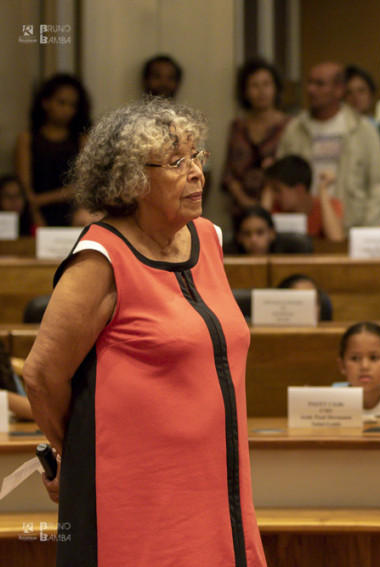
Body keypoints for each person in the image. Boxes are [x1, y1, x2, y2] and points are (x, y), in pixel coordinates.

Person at [22, 97, 267, 566]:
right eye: (177, 162)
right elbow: (41, 375)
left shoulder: (209, 239)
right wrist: (74, 455)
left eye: (197, 157)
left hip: (215, 482)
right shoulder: (101, 257)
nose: (196, 172)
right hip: (132, 493)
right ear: (130, 180)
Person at [277, 61, 380, 229]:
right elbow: (281, 183)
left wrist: (366, 227)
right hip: (304, 227)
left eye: (319, 84)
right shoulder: (294, 129)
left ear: (338, 90)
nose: (311, 89)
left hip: (351, 224)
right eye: (310, 82)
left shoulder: (362, 128)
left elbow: (379, 186)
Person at [14, 73, 91, 227]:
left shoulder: (82, 140)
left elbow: (83, 188)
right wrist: (35, 211)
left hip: (73, 214)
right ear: (45, 102)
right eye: (61, 103)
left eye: (73, 105)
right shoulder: (27, 139)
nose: (67, 110)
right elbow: (24, 189)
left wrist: (39, 200)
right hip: (33, 214)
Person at [222, 58, 290, 217]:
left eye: (266, 84)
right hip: (241, 209)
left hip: (279, 208)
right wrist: (245, 202)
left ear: (275, 88)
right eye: (255, 85)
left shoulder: (289, 126)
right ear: (245, 91)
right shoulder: (238, 126)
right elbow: (229, 173)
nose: (261, 91)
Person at [261, 155, 345, 241]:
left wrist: (323, 190)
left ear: (299, 189)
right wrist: (267, 187)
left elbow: (336, 240)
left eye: (278, 190)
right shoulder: (275, 208)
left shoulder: (327, 205)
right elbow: (260, 234)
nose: (274, 196)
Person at [337, 322, 380, 418]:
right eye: (355, 358)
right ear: (342, 366)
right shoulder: (331, 403)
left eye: (374, 358)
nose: (365, 366)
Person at [224, 206, 314, 255]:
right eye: (247, 234)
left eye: (260, 232)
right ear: (239, 237)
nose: (253, 240)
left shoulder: (292, 252)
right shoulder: (227, 256)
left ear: (272, 234)